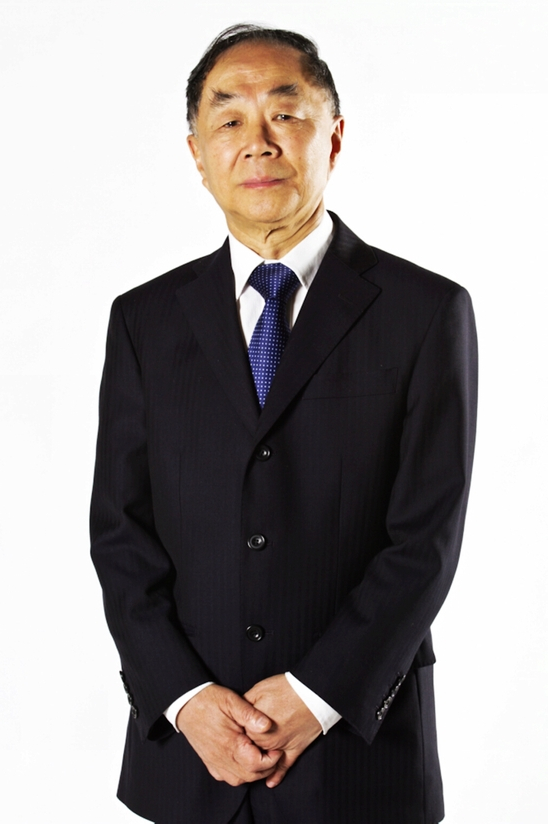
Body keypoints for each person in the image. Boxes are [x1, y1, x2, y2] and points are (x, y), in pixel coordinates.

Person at [90, 23, 477, 824]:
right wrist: (186, 699)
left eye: (286, 113)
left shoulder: (424, 312)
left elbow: (425, 542)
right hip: (187, 767)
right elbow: (121, 535)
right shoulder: (144, 321)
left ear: (333, 136)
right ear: (197, 154)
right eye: (229, 118)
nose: (258, 141)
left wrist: (317, 695)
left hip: (357, 763)